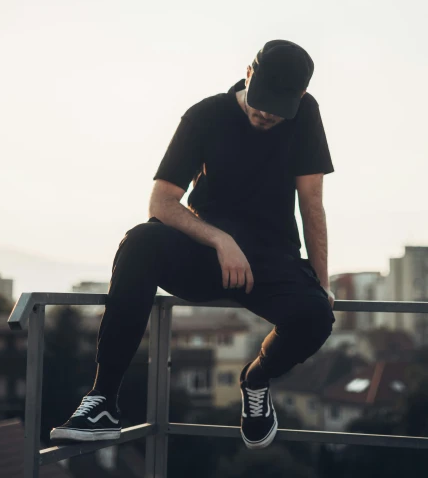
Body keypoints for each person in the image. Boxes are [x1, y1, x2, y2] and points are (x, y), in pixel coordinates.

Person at [50, 39, 335, 450]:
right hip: (207, 256)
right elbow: (162, 202)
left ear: (301, 96)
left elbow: (312, 204)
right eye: (260, 101)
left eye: (278, 107)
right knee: (141, 241)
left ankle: (255, 382)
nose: (265, 113)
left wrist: (322, 285)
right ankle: (102, 401)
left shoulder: (305, 114)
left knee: (316, 316)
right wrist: (221, 240)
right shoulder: (205, 116)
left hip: (272, 260)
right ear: (248, 74)